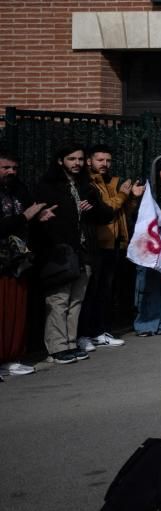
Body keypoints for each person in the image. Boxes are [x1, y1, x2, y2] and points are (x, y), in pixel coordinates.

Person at [35, 144, 110, 363]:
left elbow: (106, 215)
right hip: (60, 252)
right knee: (59, 300)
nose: (76, 163)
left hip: (84, 251)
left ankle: (70, 342)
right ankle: (56, 348)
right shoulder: (48, 186)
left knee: (76, 300)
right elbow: (44, 220)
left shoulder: (86, 184)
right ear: (60, 161)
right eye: (71, 159)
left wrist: (93, 206)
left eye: (79, 159)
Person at [1, 149, 56, 375]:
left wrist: (38, 218)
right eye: (5, 167)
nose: (11, 172)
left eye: (14, 167)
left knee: (15, 311)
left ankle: (11, 357)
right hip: (2, 261)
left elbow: (25, 219)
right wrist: (26, 216)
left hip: (18, 260)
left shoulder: (18, 189)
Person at [76, 144, 136, 350]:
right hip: (96, 244)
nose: (105, 164)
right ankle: (85, 334)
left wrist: (132, 196)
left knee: (105, 292)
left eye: (108, 160)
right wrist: (122, 195)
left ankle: (100, 332)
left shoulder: (113, 181)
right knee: (90, 292)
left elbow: (122, 212)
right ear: (90, 161)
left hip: (115, 242)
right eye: (100, 160)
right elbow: (106, 209)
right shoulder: (88, 183)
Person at [131, 155, 161, 336]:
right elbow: (141, 216)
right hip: (149, 245)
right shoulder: (147, 191)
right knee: (147, 284)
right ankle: (146, 323)